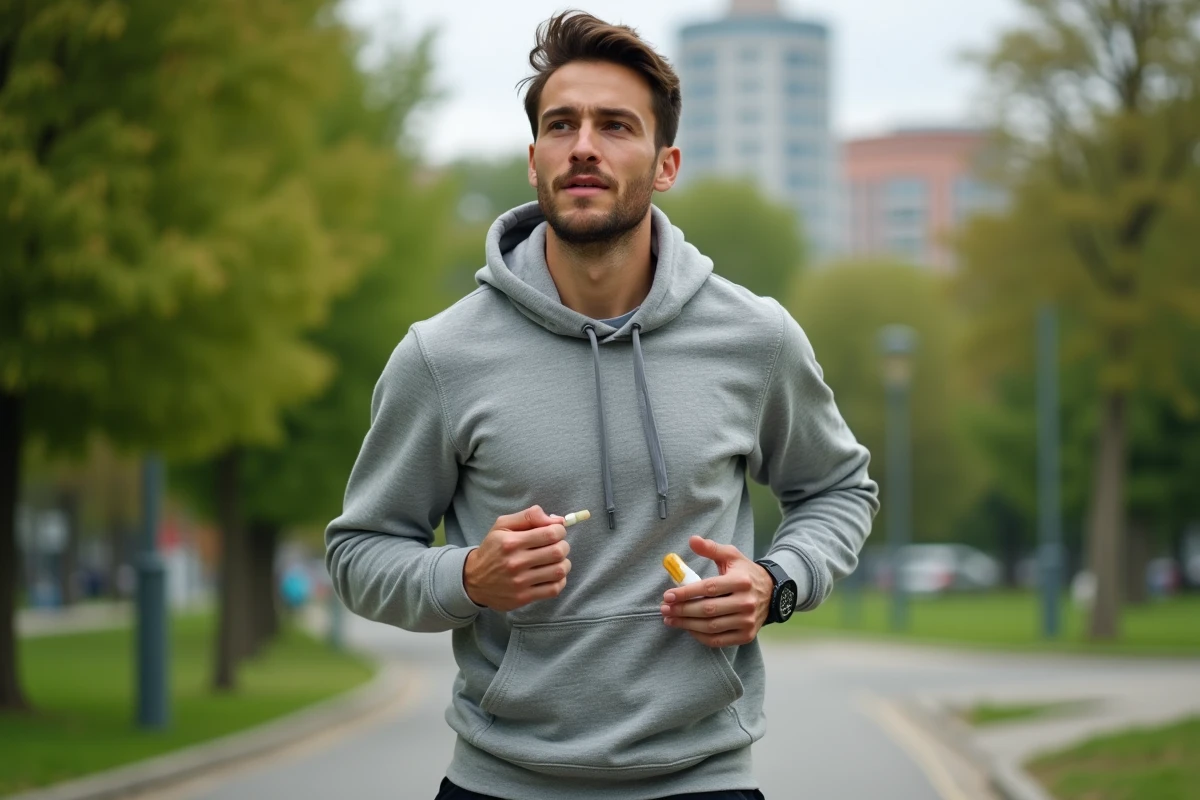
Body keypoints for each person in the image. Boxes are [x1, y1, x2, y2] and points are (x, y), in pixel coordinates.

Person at [326, 11, 879, 800]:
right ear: (534, 160)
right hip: (500, 782)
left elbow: (839, 489)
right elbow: (359, 553)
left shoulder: (754, 338)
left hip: (704, 779)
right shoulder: (441, 356)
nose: (584, 143)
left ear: (665, 165)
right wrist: (469, 579)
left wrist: (777, 581)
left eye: (616, 125)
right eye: (562, 124)